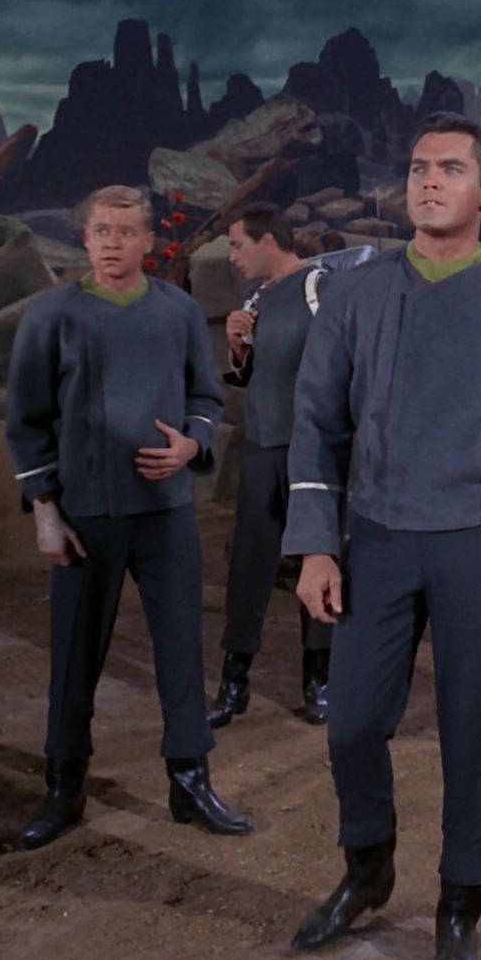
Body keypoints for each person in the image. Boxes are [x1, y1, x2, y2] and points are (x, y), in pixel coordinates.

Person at [285, 112, 481, 960]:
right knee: (352, 721)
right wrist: (316, 546)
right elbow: (316, 426)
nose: (428, 181)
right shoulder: (355, 296)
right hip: (380, 538)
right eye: (420, 167)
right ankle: (368, 864)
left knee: (472, 733)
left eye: (450, 169)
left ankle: (460, 902)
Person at [5, 184, 252, 850]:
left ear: (149, 242)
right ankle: (64, 787)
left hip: (165, 515)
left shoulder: (177, 311)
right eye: (101, 232)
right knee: (74, 656)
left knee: (181, 648)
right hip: (84, 515)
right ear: (85, 239)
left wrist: (193, 445)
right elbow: (25, 420)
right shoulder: (50, 315)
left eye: (125, 232)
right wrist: (45, 511)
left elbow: (205, 398)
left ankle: (190, 780)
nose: (112, 244)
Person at [209, 204, 333, 728]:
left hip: (312, 450)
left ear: (268, 241)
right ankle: (234, 683)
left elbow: (342, 362)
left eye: (238, 244)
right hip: (262, 447)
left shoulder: (320, 288)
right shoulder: (255, 299)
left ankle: (319, 681)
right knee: (249, 565)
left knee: (320, 561)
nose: (232, 256)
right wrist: (238, 347)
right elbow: (253, 375)